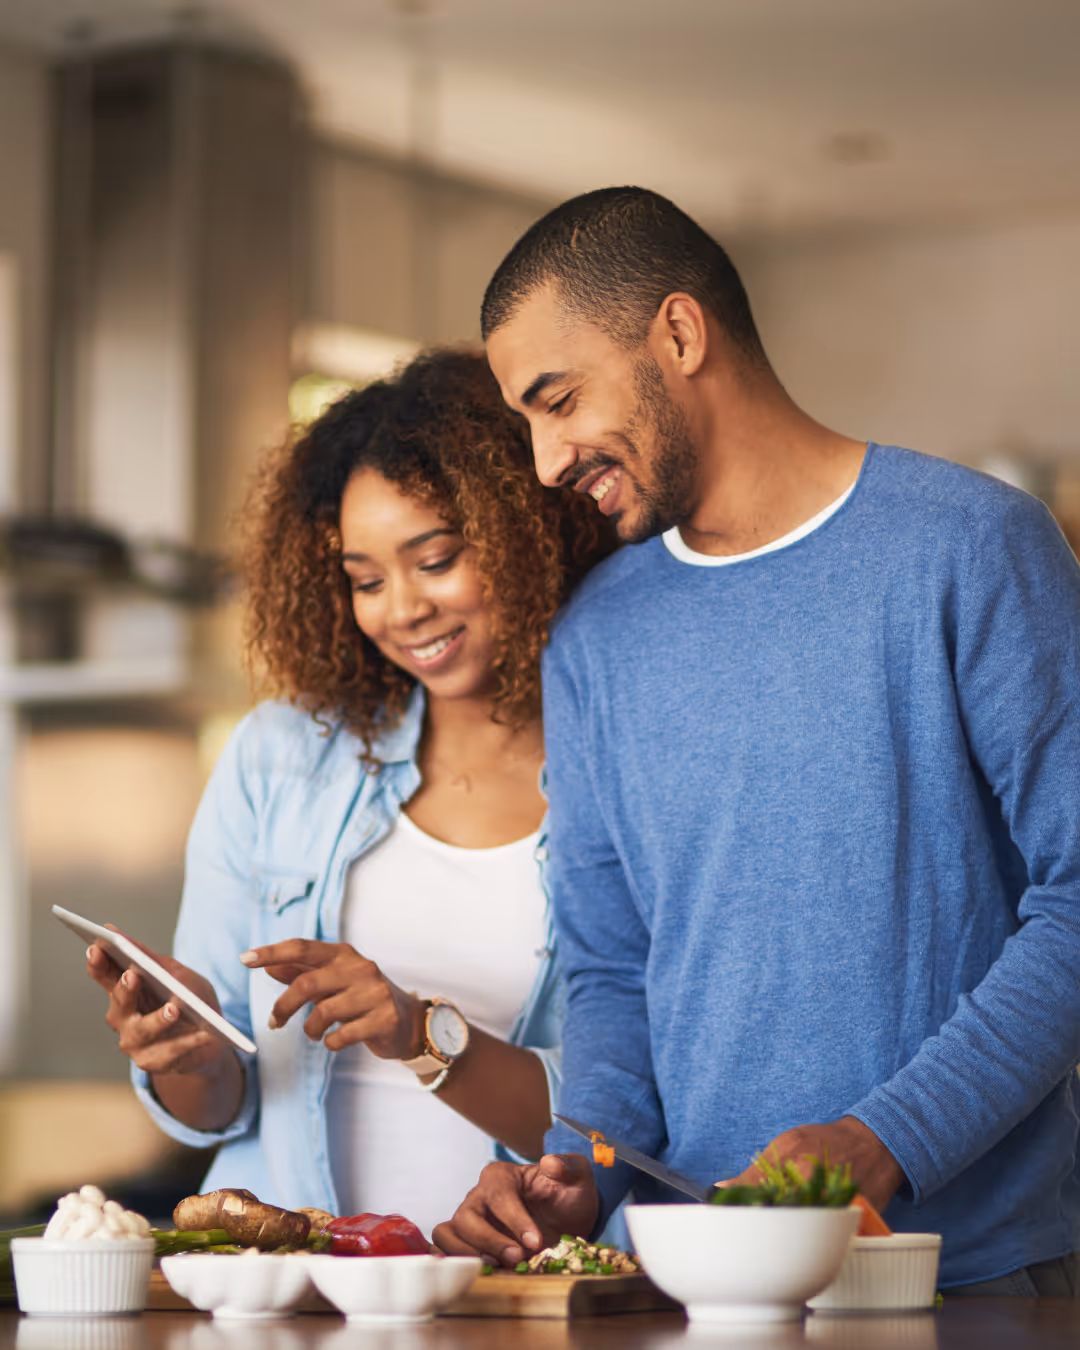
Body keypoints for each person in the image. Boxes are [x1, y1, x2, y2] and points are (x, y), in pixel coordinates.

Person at [434, 187, 1080, 1294]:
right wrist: (577, 1164)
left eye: (559, 400)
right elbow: (613, 971)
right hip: (691, 1286)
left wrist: (886, 1141)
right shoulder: (596, 639)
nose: (545, 462)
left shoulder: (970, 549)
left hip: (965, 1279)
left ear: (679, 334)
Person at [85, 348, 612, 1239]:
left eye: (435, 559)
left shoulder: (624, 771)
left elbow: (618, 1128)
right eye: (365, 579)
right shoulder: (280, 759)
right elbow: (219, 1104)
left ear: (529, 530)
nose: (399, 609)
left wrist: (416, 1028)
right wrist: (187, 1049)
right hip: (288, 1297)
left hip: (508, 1295)